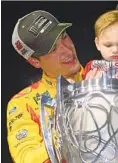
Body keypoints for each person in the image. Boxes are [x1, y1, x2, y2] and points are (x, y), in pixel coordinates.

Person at [7, 10, 84, 163]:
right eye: (52, 49)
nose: (67, 50)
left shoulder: (101, 73)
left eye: (64, 37)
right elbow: (26, 158)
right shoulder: (23, 102)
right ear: (35, 61)